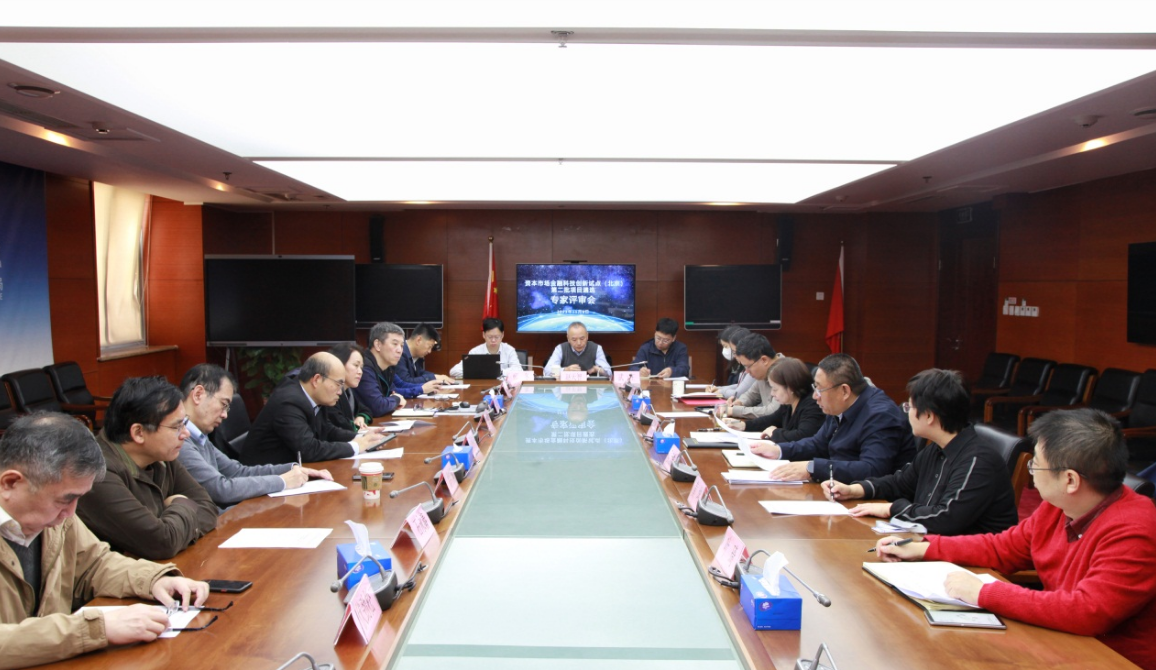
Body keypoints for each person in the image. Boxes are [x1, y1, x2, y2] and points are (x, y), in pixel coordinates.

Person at [875, 408, 1156, 669]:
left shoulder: (1135, 530)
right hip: (1061, 641)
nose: (1032, 472)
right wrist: (924, 548)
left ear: (1070, 480)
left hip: (1111, 658)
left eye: (1036, 465)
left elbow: (1087, 611)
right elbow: (1004, 548)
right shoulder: (1060, 506)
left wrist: (984, 593)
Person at [0, 413, 210, 668]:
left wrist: (154, 580)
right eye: (65, 499)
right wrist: (95, 629)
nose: (71, 512)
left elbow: (94, 564)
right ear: (10, 482)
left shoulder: (58, 517)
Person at [823, 369, 1017, 535]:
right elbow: (900, 483)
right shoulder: (936, 448)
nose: (907, 412)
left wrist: (892, 508)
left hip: (969, 560)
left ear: (929, 416)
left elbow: (946, 518)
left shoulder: (978, 461)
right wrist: (854, 490)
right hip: (932, 544)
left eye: (910, 406)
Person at [75, 377, 217, 561]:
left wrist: (170, 524)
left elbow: (208, 509)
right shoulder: (98, 473)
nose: (185, 433)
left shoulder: (161, 455)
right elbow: (161, 543)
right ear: (138, 433)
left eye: (185, 423)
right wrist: (181, 502)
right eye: (176, 426)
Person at [176, 364, 331, 510]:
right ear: (198, 394)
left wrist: (294, 469)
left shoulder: (200, 437)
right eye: (223, 404)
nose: (225, 415)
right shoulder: (179, 442)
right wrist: (283, 481)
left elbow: (237, 472)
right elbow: (220, 488)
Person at [750, 353, 916, 482]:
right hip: (839, 487)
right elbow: (818, 443)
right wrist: (779, 450)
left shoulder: (880, 415)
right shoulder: (838, 405)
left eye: (819, 389)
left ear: (844, 391)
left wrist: (813, 468)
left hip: (873, 500)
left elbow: (872, 469)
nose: (815, 396)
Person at [239, 352, 386, 466]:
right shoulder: (289, 402)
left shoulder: (313, 396)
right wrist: (355, 446)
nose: (340, 392)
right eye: (338, 384)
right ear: (316, 380)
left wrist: (360, 438)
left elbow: (327, 429)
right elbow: (308, 450)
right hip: (265, 478)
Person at [726, 357, 823, 443]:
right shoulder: (789, 403)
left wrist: (774, 433)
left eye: (775, 389)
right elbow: (772, 419)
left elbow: (803, 436)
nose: (772, 393)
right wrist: (744, 425)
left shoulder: (813, 406)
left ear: (791, 387)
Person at [355, 322, 441, 416]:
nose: (400, 350)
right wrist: (397, 399)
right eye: (395, 344)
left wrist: (421, 389)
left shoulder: (387, 366)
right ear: (378, 345)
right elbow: (378, 406)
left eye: (401, 345)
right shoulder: (364, 368)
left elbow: (395, 390)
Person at [721, 333, 781, 419]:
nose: (747, 371)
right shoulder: (764, 372)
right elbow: (751, 395)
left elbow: (773, 411)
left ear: (764, 360)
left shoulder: (786, 372)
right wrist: (739, 402)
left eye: (748, 366)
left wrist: (734, 411)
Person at [449, 318, 523, 379]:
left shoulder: (509, 350)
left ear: (502, 335)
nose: (493, 340)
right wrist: (480, 372)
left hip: (503, 388)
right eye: (490, 337)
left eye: (497, 337)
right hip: (480, 387)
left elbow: (519, 370)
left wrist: (499, 372)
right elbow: (454, 371)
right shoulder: (475, 352)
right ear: (484, 335)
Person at [325, 343, 375, 431]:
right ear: (339, 363)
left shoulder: (349, 391)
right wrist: (357, 427)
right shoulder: (328, 393)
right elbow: (340, 424)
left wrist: (361, 418)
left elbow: (366, 410)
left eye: (361, 367)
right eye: (356, 365)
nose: (360, 372)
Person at [544, 322, 610, 378]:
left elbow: (609, 373)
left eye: (582, 339)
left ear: (587, 336)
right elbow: (547, 371)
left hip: (590, 387)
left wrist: (597, 369)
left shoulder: (596, 348)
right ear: (568, 338)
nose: (579, 343)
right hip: (566, 387)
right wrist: (565, 370)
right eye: (574, 340)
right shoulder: (560, 348)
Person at [707, 326, 753, 399]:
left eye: (735, 352)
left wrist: (721, 391)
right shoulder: (741, 365)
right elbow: (740, 386)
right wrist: (718, 389)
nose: (735, 355)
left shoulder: (753, 366)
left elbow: (737, 393)